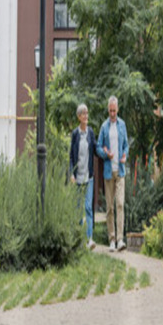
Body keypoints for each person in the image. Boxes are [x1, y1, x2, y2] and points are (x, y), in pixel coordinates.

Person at [96, 95, 128, 252]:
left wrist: (124, 155)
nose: (113, 113)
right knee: (109, 207)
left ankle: (121, 239)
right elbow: (98, 147)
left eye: (114, 111)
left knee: (120, 204)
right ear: (108, 110)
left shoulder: (122, 125)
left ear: (118, 109)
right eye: (110, 111)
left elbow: (126, 145)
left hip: (120, 171)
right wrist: (105, 153)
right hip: (109, 172)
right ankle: (112, 240)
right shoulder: (104, 127)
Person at [69, 103, 97, 250]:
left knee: (88, 207)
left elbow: (96, 148)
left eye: (87, 113)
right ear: (79, 117)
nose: (86, 116)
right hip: (77, 177)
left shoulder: (91, 132)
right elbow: (71, 157)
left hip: (89, 176)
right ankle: (79, 239)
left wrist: (106, 153)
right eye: (83, 114)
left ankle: (89, 239)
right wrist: (71, 174)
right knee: (78, 208)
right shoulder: (75, 134)